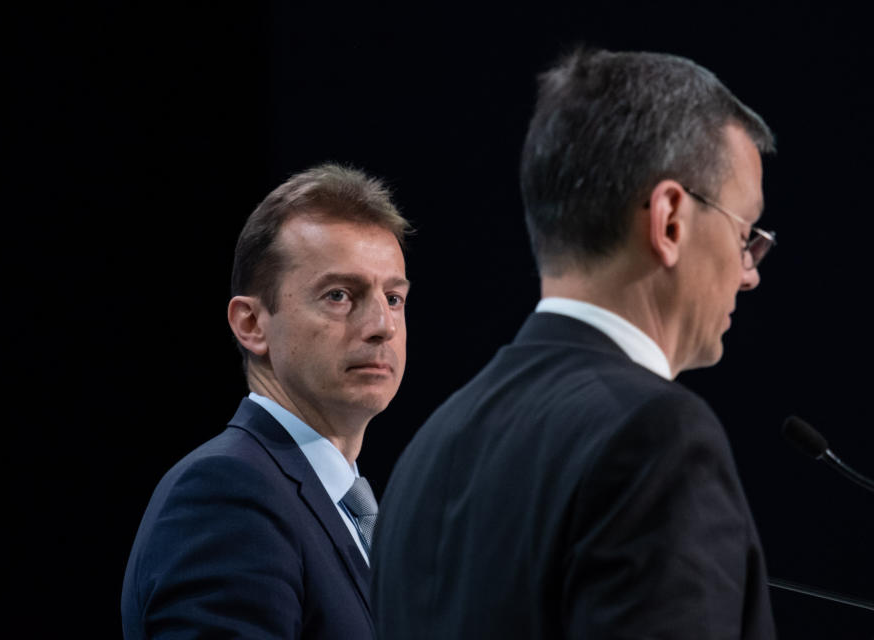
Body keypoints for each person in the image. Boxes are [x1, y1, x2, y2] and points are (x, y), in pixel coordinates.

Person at [371, 49, 777, 639]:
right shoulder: (660, 440)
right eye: (746, 234)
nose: (749, 272)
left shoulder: (428, 450)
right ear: (669, 221)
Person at [122, 163, 411, 639]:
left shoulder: (350, 505)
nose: (383, 324)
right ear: (251, 324)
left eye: (394, 297)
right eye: (339, 295)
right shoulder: (226, 492)